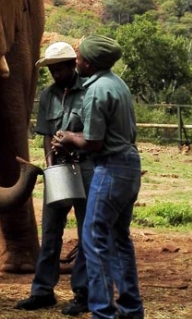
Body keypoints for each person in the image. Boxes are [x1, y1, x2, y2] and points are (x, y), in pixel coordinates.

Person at [52, 34, 145, 319]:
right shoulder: (118, 84)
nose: (75, 60)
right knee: (119, 239)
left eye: (78, 57)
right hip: (130, 166)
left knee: (94, 239)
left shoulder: (94, 91)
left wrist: (68, 138)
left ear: (88, 64)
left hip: (111, 168)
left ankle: (102, 311)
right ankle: (131, 310)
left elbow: (94, 143)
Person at [15, 41, 93, 316]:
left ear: (72, 65)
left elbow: (94, 135)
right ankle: (42, 291)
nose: (56, 74)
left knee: (86, 232)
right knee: (50, 231)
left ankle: (83, 293)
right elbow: (47, 134)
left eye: (60, 68)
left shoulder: (89, 92)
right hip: (58, 169)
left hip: (86, 168)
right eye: (52, 70)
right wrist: (50, 164)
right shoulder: (48, 96)